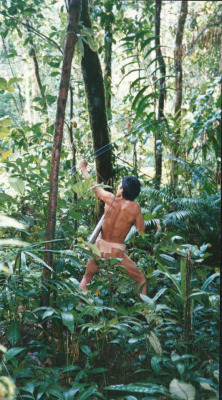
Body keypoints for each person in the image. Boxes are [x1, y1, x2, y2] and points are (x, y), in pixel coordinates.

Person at [79, 160, 147, 299]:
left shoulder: (110, 199)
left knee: (87, 278)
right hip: (116, 253)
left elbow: (94, 186)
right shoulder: (135, 208)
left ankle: (80, 310)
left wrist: (83, 168)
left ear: (122, 189)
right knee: (141, 279)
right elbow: (141, 231)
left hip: (99, 249)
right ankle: (145, 312)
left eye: (119, 185)